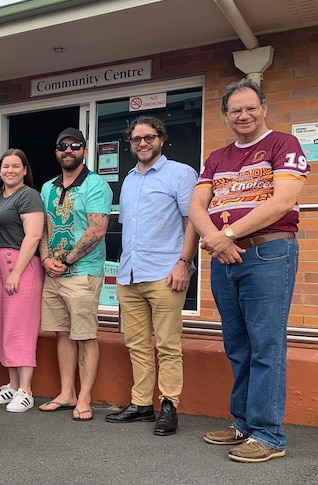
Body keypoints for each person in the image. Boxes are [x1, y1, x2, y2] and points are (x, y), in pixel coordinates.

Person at [190, 79, 308, 463]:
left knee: (266, 346)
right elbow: (196, 206)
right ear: (225, 115)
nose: (244, 115)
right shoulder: (217, 157)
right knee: (238, 347)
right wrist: (217, 240)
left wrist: (226, 234)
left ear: (264, 108)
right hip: (225, 259)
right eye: (235, 110)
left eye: (250, 108)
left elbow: (283, 200)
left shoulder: (283, 144)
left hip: (268, 252)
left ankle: (269, 435)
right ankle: (243, 423)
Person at [104, 116, 198, 436]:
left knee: (168, 345)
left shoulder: (181, 174)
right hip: (130, 275)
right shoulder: (129, 179)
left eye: (148, 137)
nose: (142, 143)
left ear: (161, 139)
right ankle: (142, 404)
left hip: (165, 274)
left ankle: (169, 405)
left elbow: (192, 221)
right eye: (135, 139)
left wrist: (184, 262)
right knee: (137, 344)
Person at [37, 128, 112, 421]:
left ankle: (84, 398)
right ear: (56, 151)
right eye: (62, 146)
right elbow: (43, 228)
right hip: (53, 274)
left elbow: (97, 229)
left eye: (74, 145)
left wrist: (66, 261)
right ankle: (67, 393)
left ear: (84, 150)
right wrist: (44, 258)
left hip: (82, 271)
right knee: (63, 334)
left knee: (85, 335)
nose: (68, 150)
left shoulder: (96, 184)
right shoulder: (47, 188)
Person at [0, 149, 45, 413]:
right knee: (1, 325)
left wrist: (17, 272)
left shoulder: (29, 195)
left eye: (15, 166)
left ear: (24, 170)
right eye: (5, 166)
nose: (9, 170)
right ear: (0, 171)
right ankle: (12, 384)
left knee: (20, 327)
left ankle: (26, 390)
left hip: (18, 265)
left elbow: (33, 235)